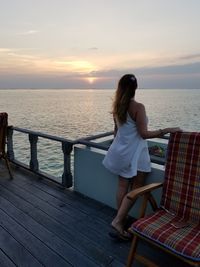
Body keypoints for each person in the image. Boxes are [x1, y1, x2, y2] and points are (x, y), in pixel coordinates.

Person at [102, 74, 181, 241]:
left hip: (121, 151)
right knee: (138, 185)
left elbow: (117, 132)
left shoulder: (117, 107)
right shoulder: (138, 107)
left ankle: (120, 220)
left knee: (123, 185)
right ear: (135, 88)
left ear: (120, 87)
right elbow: (144, 134)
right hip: (136, 152)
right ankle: (118, 221)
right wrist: (166, 130)